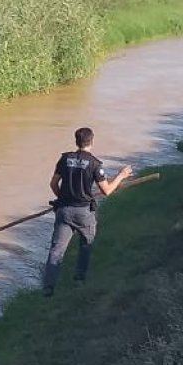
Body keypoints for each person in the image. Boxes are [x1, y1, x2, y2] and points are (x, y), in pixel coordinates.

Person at [43, 127, 132, 297]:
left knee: (56, 250)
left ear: (76, 141)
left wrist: (62, 198)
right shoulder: (95, 164)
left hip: (64, 211)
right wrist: (121, 175)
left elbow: (53, 183)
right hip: (84, 212)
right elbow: (106, 190)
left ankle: (49, 286)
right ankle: (79, 278)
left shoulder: (64, 159)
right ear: (92, 142)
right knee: (85, 244)